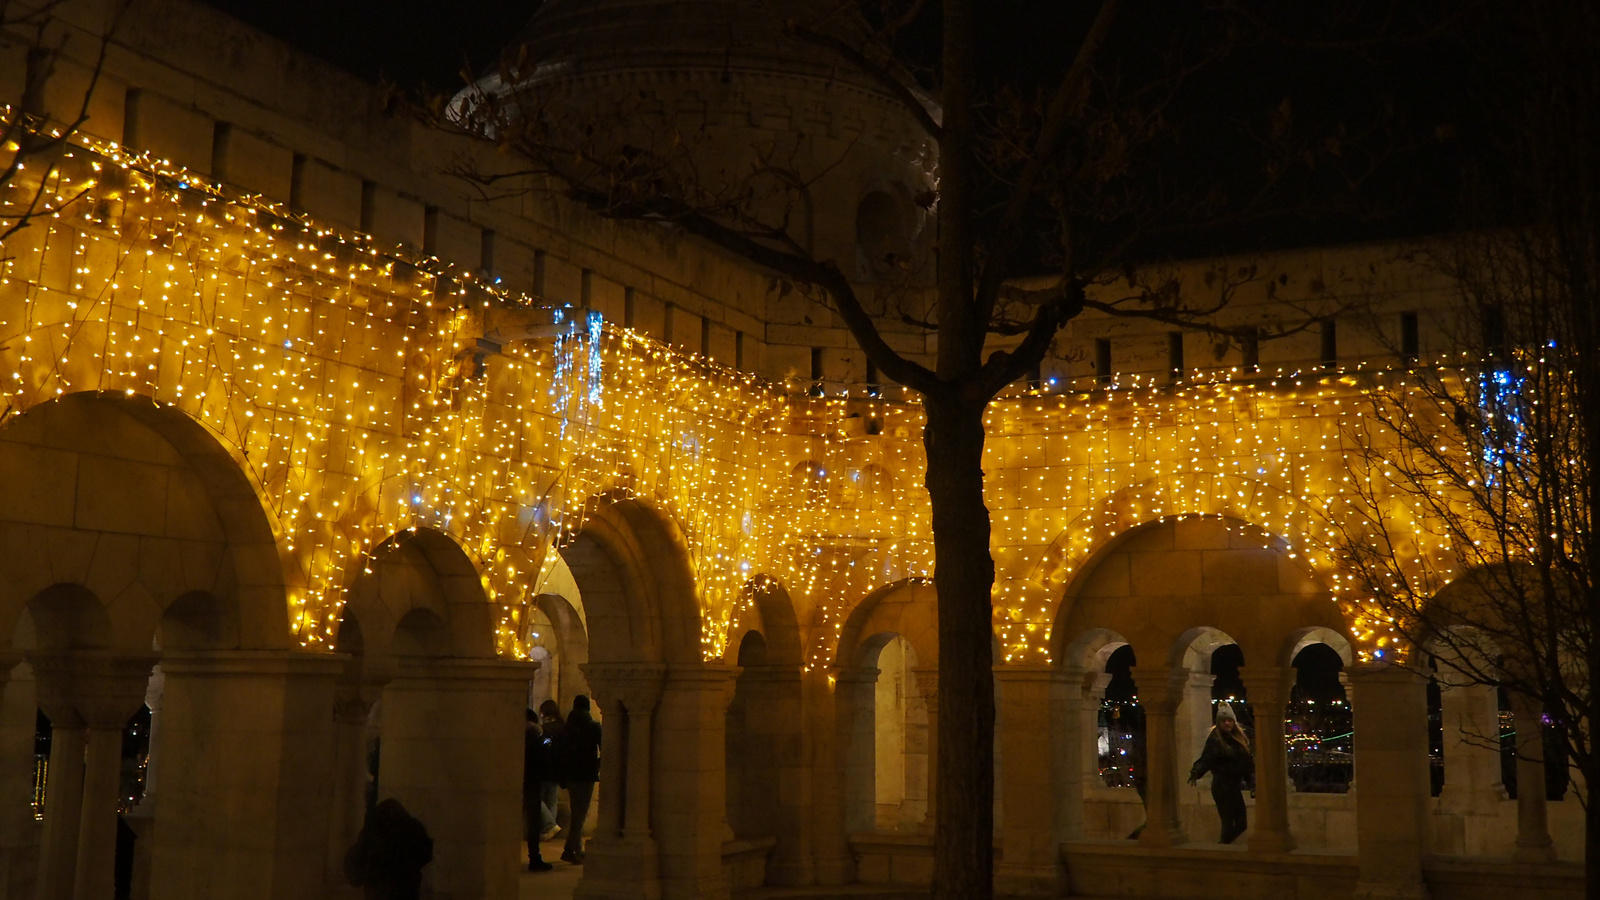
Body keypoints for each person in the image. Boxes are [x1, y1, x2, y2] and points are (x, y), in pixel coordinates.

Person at [1187, 703, 1254, 844]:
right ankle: (1223, 848)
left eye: (1230, 720)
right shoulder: (1215, 740)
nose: (1227, 723)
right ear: (1219, 723)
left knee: (1242, 823)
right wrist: (1196, 771)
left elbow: (1247, 765)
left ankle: (1223, 845)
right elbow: (1206, 758)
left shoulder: (1239, 740)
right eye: (1224, 721)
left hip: (1234, 786)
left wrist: (1252, 784)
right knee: (1228, 822)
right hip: (1221, 786)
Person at [344, 798, 434, 900]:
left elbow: (355, 869)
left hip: (380, 892)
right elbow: (426, 854)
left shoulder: (372, 833)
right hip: (405, 891)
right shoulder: (412, 829)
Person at [553, 694, 602, 864]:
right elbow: (605, 749)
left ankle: (577, 849)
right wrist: (597, 765)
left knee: (577, 812)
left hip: (570, 775)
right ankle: (569, 849)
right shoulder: (593, 727)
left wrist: (561, 775)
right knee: (580, 814)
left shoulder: (565, 729)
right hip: (586, 775)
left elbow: (557, 753)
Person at [523, 710, 554, 871]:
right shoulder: (536, 734)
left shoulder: (515, 733)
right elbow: (544, 758)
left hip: (516, 780)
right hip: (532, 781)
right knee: (533, 821)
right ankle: (534, 857)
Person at [537, 699, 564, 841]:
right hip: (558, 770)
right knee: (551, 800)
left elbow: (543, 748)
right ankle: (549, 831)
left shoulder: (545, 730)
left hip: (543, 769)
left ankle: (550, 825)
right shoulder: (563, 728)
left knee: (537, 798)